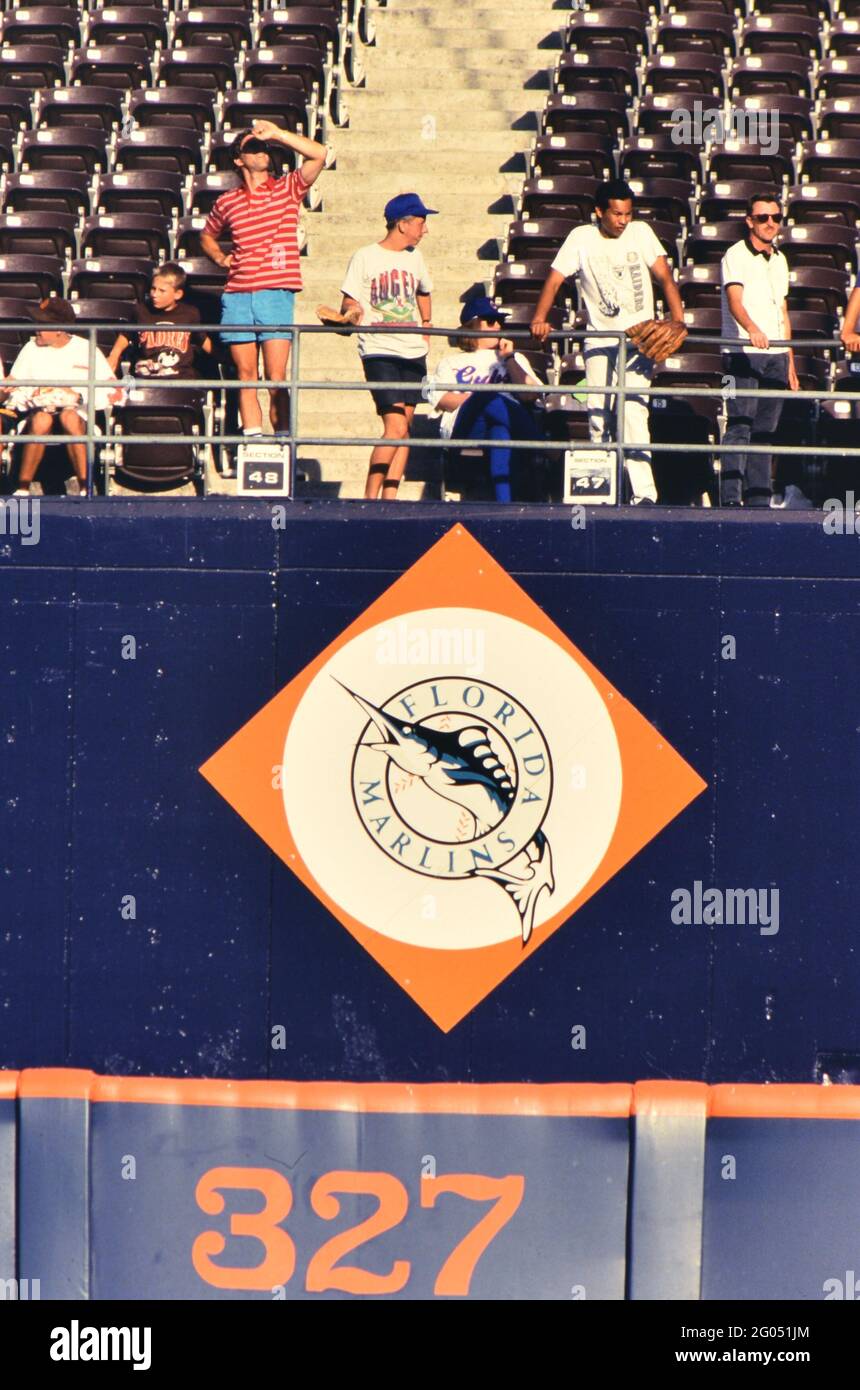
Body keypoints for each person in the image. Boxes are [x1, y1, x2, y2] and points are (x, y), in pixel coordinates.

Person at [530, 178, 684, 504]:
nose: (623, 221)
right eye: (616, 214)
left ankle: (644, 495)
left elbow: (665, 277)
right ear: (599, 211)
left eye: (627, 213)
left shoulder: (640, 233)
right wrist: (540, 318)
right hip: (599, 339)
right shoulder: (580, 238)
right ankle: (603, 490)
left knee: (633, 411)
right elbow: (555, 278)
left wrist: (678, 319)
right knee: (598, 414)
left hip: (641, 339)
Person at [200, 120, 328, 438]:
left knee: (275, 376)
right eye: (253, 148)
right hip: (239, 294)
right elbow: (207, 235)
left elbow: (320, 155)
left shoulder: (286, 188)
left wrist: (278, 135)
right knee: (245, 375)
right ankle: (253, 442)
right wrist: (219, 258)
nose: (261, 151)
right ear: (239, 159)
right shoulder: (227, 201)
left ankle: (283, 443)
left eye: (264, 147)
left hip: (274, 292)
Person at [331, 193, 435, 500]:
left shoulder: (415, 257)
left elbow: (424, 291)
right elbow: (349, 299)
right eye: (421, 222)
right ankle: (370, 498)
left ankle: (390, 499)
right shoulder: (365, 256)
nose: (424, 230)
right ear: (402, 224)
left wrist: (427, 325)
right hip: (380, 349)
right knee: (394, 426)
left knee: (405, 431)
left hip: (413, 350)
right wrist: (350, 314)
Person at [719, 193, 798, 508]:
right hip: (743, 352)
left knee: (766, 431)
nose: (770, 223)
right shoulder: (735, 255)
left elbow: (783, 310)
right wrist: (752, 329)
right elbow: (734, 301)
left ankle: (759, 501)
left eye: (775, 218)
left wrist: (790, 360)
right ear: (749, 221)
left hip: (776, 354)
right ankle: (730, 500)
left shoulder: (780, 259)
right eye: (763, 217)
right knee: (740, 424)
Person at [424, 295, 544, 502]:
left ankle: (503, 507)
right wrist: (482, 399)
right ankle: (546, 447)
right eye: (490, 321)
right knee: (487, 395)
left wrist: (509, 359)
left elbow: (530, 394)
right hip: (466, 428)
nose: (497, 325)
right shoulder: (451, 362)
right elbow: (443, 399)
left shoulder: (515, 358)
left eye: (500, 321)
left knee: (500, 432)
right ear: (472, 326)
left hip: (509, 426)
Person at [0, 299, 118, 497]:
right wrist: (33, 395)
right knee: (42, 419)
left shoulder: (86, 348)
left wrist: (78, 396)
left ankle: (85, 487)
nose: (37, 329)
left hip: (79, 417)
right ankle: (23, 488)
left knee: (69, 417)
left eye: (42, 325)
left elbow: (112, 391)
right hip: (38, 414)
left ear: (59, 329)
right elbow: (14, 393)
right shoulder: (30, 349)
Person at [107, 263, 212, 380]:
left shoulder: (190, 314)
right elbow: (126, 335)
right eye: (153, 289)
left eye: (162, 291)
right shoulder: (141, 310)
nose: (155, 295)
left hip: (181, 378)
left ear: (177, 294)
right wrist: (114, 355)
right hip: (147, 377)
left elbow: (202, 341)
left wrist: (225, 358)